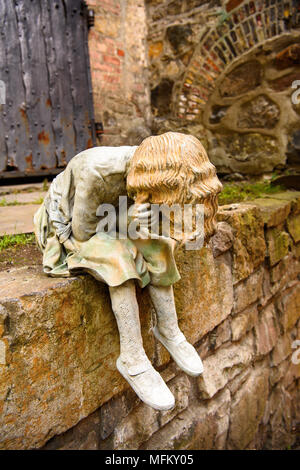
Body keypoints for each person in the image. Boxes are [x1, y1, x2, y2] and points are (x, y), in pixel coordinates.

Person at [34, 132, 222, 410]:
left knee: (158, 245)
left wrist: (141, 220)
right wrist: (128, 218)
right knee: (119, 257)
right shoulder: (97, 171)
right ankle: (133, 358)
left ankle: (169, 330)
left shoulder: (155, 167)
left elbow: (144, 221)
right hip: (67, 227)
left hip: (113, 218)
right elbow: (83, 233)